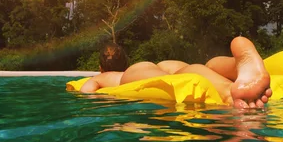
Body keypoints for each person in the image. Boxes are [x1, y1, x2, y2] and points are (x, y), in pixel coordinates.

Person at [80, 36, 273, 109]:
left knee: (176, 80)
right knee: (197, 68)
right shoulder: (154, 64)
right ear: (126, 60)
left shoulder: (107, 76)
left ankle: (228, 92)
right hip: (172, 64)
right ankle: (233, 68)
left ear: (101, 68)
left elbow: (86, 92)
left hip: (138, 74)